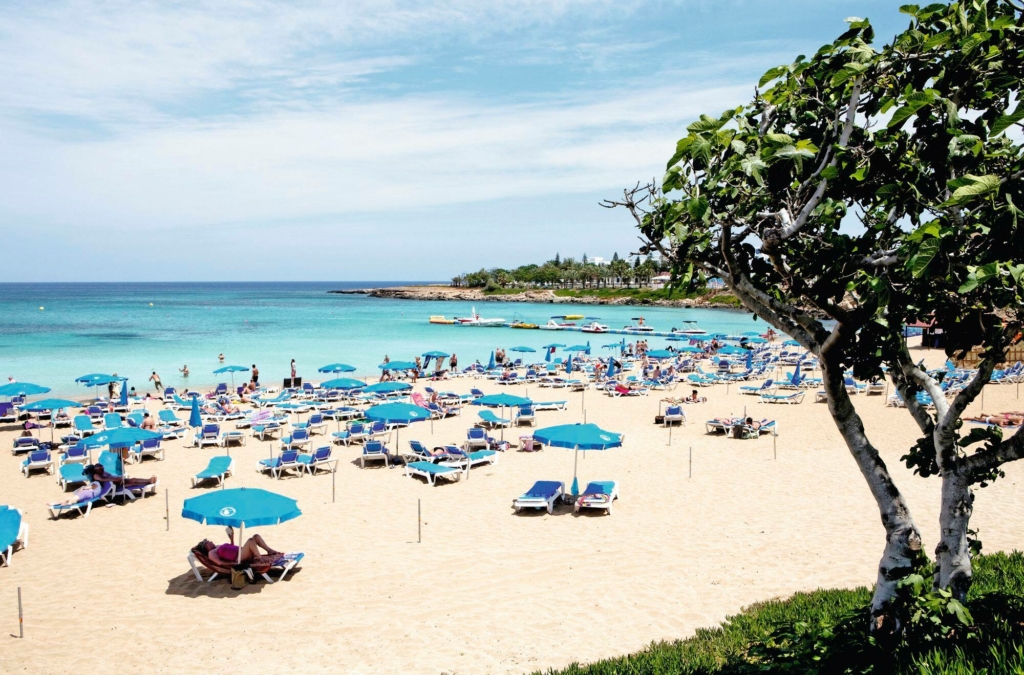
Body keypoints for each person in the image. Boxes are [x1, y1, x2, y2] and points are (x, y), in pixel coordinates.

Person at [204, 526, 281, 565]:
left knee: (256, 536)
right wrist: (232, 564)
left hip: (242, 552)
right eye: (208, 542)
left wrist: (231, 539)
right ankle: (260, 558)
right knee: (250, 541)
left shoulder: (217, 546)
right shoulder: (211, 553)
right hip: (238, 559)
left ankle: (270, 551)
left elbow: (230, 549)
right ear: (206, 546)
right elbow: (220, 563)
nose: (211, 541)